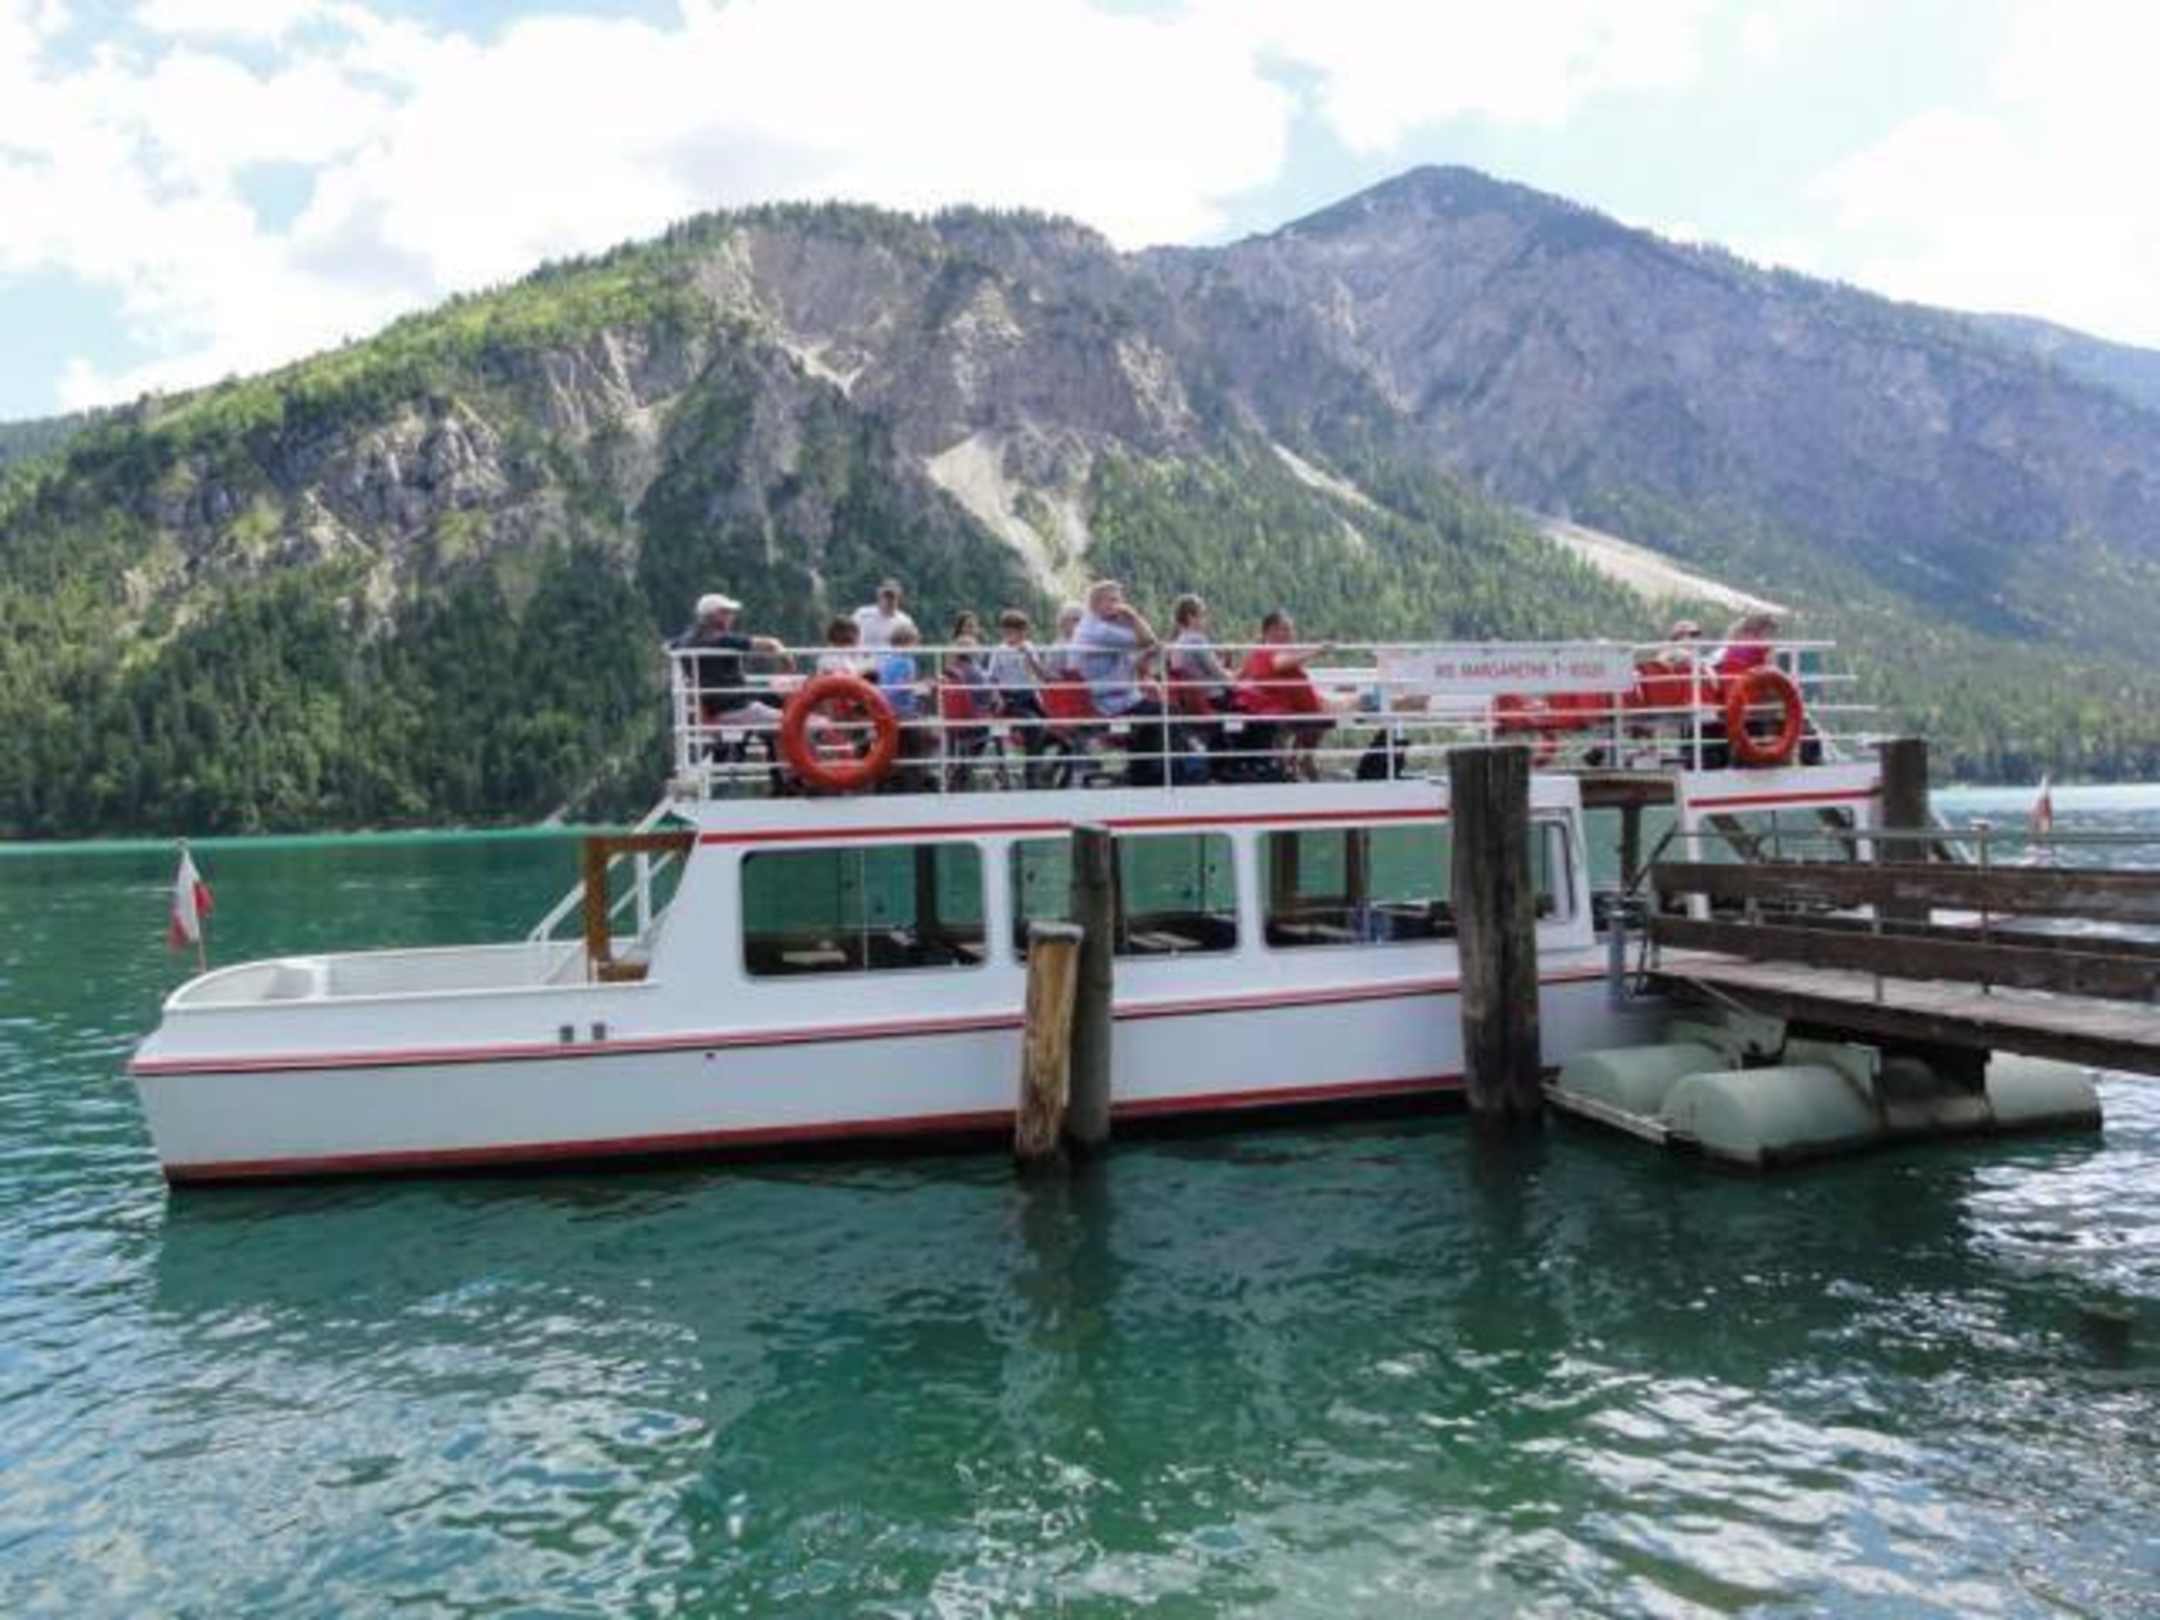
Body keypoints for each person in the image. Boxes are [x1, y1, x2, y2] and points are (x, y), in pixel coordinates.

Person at [1073, 579, 1169, 784]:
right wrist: (1132, 615)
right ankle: (1149, 777)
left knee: (1158, 711)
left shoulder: (1092, 627)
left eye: (1119, 600)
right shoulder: (1100, 631)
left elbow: (1123, 664)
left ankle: (1144, 771)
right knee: (1163, 713)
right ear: (1097, 603)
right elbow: (1149, 640)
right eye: (1113, 600)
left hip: (1112, 697)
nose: (1119, 605)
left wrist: (1144, 655)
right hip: (1110, 703)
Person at [1235, 610, 1336, 780]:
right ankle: (1300, 761)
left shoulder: (1257, 653)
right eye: (1286, 629)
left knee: (1328, 710)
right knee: (1324, 716)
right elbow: (1279, 664)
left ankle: (1297, 761)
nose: (1290, 634)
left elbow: (1240, 676)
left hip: (1284, 707)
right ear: (1271, 631)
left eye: (1290, 629)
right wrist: (1316, 651)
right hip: (1282, 709)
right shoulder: (1272, 651)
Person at [669, 591, 787, 736]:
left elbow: (670, 646)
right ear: (716, 615)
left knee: (772, 697)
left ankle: (772, 745)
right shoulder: (721, 639)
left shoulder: (685, 641)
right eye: (727, 613)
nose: (732, 617)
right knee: (795, 722)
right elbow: (768, 644)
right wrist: (784, 655)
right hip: (735, 705)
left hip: (715, 705)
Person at [853, 579, 917, 649]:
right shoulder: (862, 614)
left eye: (892, 596)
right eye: (886, 596)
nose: (888, 600)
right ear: (878, 595)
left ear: (899, 597)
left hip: (891, 655)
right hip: (864, 655)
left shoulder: (905, 621)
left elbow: (910, 646)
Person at [1712, 610, 1780, 676]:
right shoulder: (1765, 645)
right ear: (1763, 627)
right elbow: (1770, 668)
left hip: (1731, 675)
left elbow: (1770, 667)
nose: (1769, 634)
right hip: (1745, 677)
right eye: (1770, 630)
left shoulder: (1736, 636)